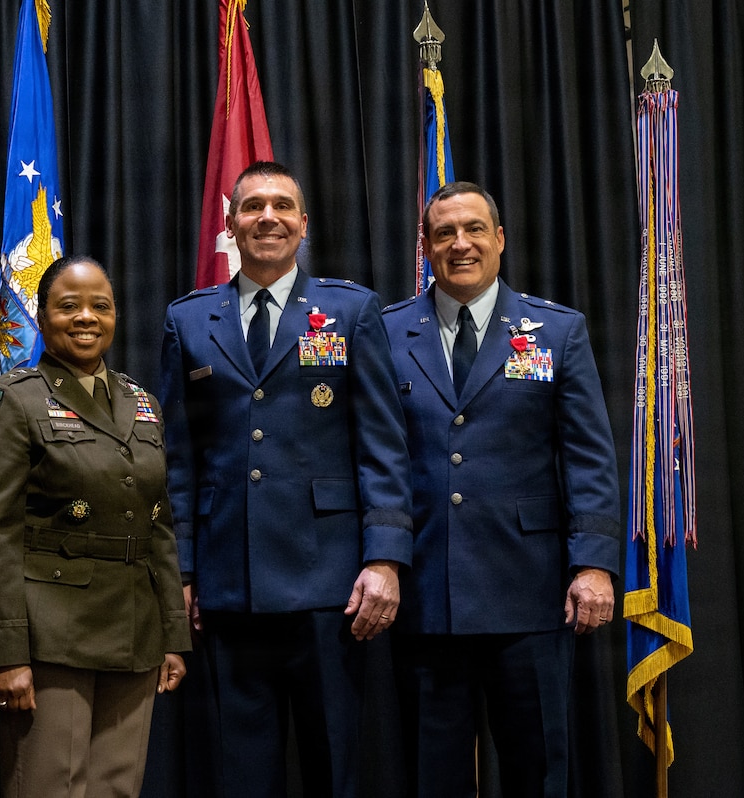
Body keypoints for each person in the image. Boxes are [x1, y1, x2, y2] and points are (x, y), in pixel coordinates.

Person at [159, 160, 413, 797]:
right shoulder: (188, 320)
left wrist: (384, 558)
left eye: (280, 206)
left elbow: (382, 444)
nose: (266, 217)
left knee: (335, 767)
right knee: (239, 774)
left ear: (303, 223)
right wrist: (182, 572)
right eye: (251, 207)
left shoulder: (351, 311)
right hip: (227, 579)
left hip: (330, 582)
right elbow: (178, 460)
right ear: (229, 224)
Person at [382, 181, 620, 798]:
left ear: (500, 239)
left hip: (530, 591)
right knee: (431, 775)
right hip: (426, 596)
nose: (460, 244)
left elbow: (589, 456)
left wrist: (593, 564)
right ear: (426, 247)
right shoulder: (384, 333)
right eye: (443, 233)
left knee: (537, 769)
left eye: (474, 229)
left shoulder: (555, 331)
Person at [0, 255, 190, 798]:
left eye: (100, 306)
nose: (86, 317)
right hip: (49, 638)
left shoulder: (143, 404)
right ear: (41, 319)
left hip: (135, 633)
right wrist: (5, 652)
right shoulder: (13, 400)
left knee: (117, 788)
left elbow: (158, 524)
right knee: (49, 787)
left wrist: (173, 635)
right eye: (68, 306)